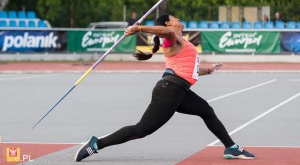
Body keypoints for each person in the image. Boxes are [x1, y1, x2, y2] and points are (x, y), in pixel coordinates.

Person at [75, 14, 255, 162]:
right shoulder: (170, 38)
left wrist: (209, 70)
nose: (179, 19)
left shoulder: (180, 42)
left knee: (206, 111)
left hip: (178, 90)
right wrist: (139, 28)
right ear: (169, 23)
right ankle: (96, 144)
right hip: (170, 89)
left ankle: (231, 148)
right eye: (175, 17)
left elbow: (188, 68)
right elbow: (167, 33)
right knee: (141, 130)